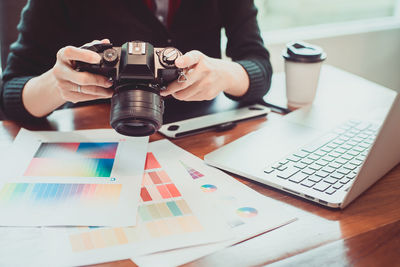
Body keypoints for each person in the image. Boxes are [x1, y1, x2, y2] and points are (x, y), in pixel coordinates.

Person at [1, 0, 272, 122]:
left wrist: (225, 74)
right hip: (102, 145)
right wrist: (56, 86)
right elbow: (10, 94)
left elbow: (258, 64)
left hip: (200, 132)